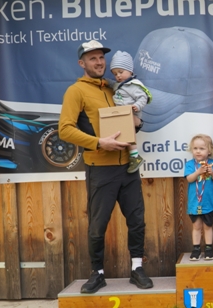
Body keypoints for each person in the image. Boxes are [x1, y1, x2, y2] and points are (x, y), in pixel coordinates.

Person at [59, 40, 153, 294]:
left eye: (101, 57)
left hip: (128, 167)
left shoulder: (116, 88)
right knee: (98, 225)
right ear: (82, 63)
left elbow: (128, 121)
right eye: (92, 58)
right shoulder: (76, 91)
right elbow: (64, 130)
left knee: (137, 220)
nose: (99, 62)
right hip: (100, 169)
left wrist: (138, 123)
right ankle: (97, 273)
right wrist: (99, 143)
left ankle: (137, 268)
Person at [110, 50, 151, 174]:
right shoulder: (121, 84)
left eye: (121, 72)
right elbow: (111, 84)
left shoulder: (133, 85)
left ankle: (135, 156)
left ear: (130, 71)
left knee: (128, 135)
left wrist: (137, 106)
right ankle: (133, 156)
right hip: (122, 114)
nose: (118, 76)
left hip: (131, 114)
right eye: (115, 73)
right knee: (125, 135)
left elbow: (143, 97)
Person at [184, 134, 213, 261]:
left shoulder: (212, 164)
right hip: (194, 202)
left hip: (208, 202)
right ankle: (196, 249)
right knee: (196, 226)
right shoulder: (190, 164)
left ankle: (209, 249)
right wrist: (198, 172)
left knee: (208, 226)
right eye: (195, 148)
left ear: (209, 151)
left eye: (202, 148)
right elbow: (189, 179)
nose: (198, 151)